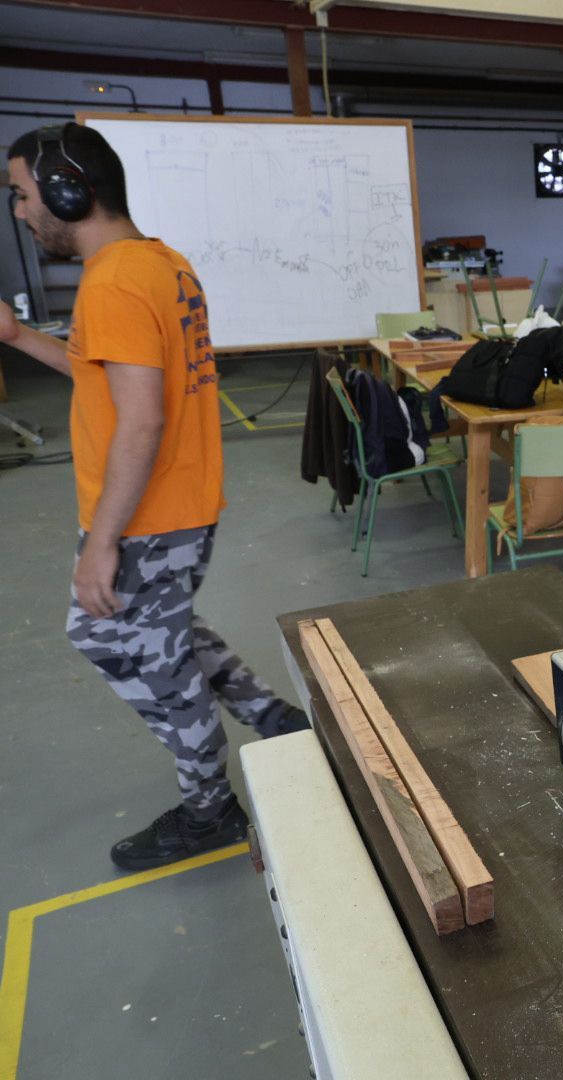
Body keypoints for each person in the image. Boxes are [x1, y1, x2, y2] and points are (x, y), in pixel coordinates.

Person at [4, 123, 308, 871]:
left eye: (22, 194)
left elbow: (140, 417)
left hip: (147, 516)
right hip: (175, 506)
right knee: (161, 629)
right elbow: (102, 376)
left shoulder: (111, 282)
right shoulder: (160, 264)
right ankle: (277, 721)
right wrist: (14, 337)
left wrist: (101, 541)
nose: (18, 211)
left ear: (70, 191)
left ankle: (210, 808)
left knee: (119, 641)